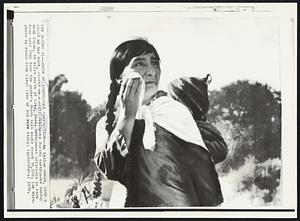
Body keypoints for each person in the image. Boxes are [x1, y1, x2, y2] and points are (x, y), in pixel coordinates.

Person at [94, 38, 224, 207]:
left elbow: (205, 180)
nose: (151, 72)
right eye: (140, 64)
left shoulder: (174, 113)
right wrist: (128, 116)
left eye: (155, 63)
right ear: (120, 77)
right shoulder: (106, 124)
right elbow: (111, 169)